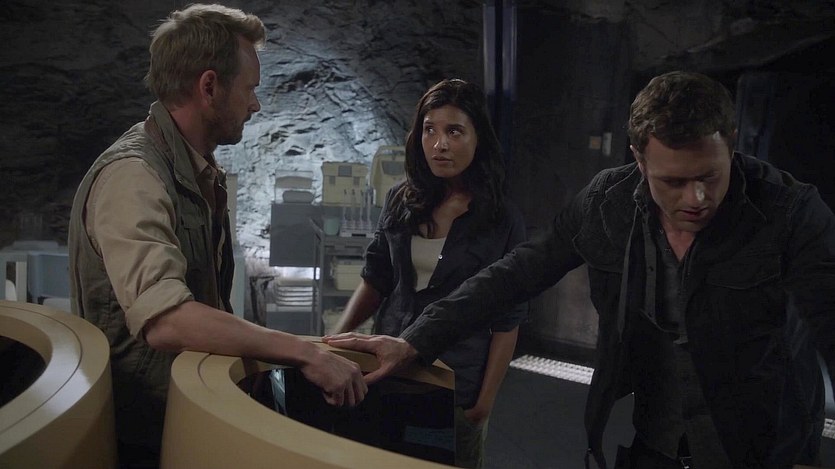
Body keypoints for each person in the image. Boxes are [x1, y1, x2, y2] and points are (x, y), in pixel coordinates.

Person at [324, 71, 835, 468]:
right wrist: (414, 341)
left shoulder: (790, 212)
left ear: (733, 142)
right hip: (658, 438)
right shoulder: (607, 203)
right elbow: (515, 274)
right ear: (639, 160)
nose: (696, 198)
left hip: (764, 445)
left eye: (709, 176)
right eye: (673, 182)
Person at [67, 4, 366, 467]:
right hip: (142, 436)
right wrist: (302, 352)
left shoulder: (192, 168)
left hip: (181, 417)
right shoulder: (134, 175)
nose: (255, 104)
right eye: (250, 89)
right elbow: (166, 320)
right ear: (209, 87)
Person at [330, 78, 528, 468]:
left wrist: (484, 402)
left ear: (477, 138)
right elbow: (376, 278)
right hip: (386, 370)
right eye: (429, 130)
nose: (439, 144)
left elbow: (508, 320)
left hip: (454, 380)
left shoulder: (502, 219)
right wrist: (335, 342)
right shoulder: (401, 199)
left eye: (454, 131)